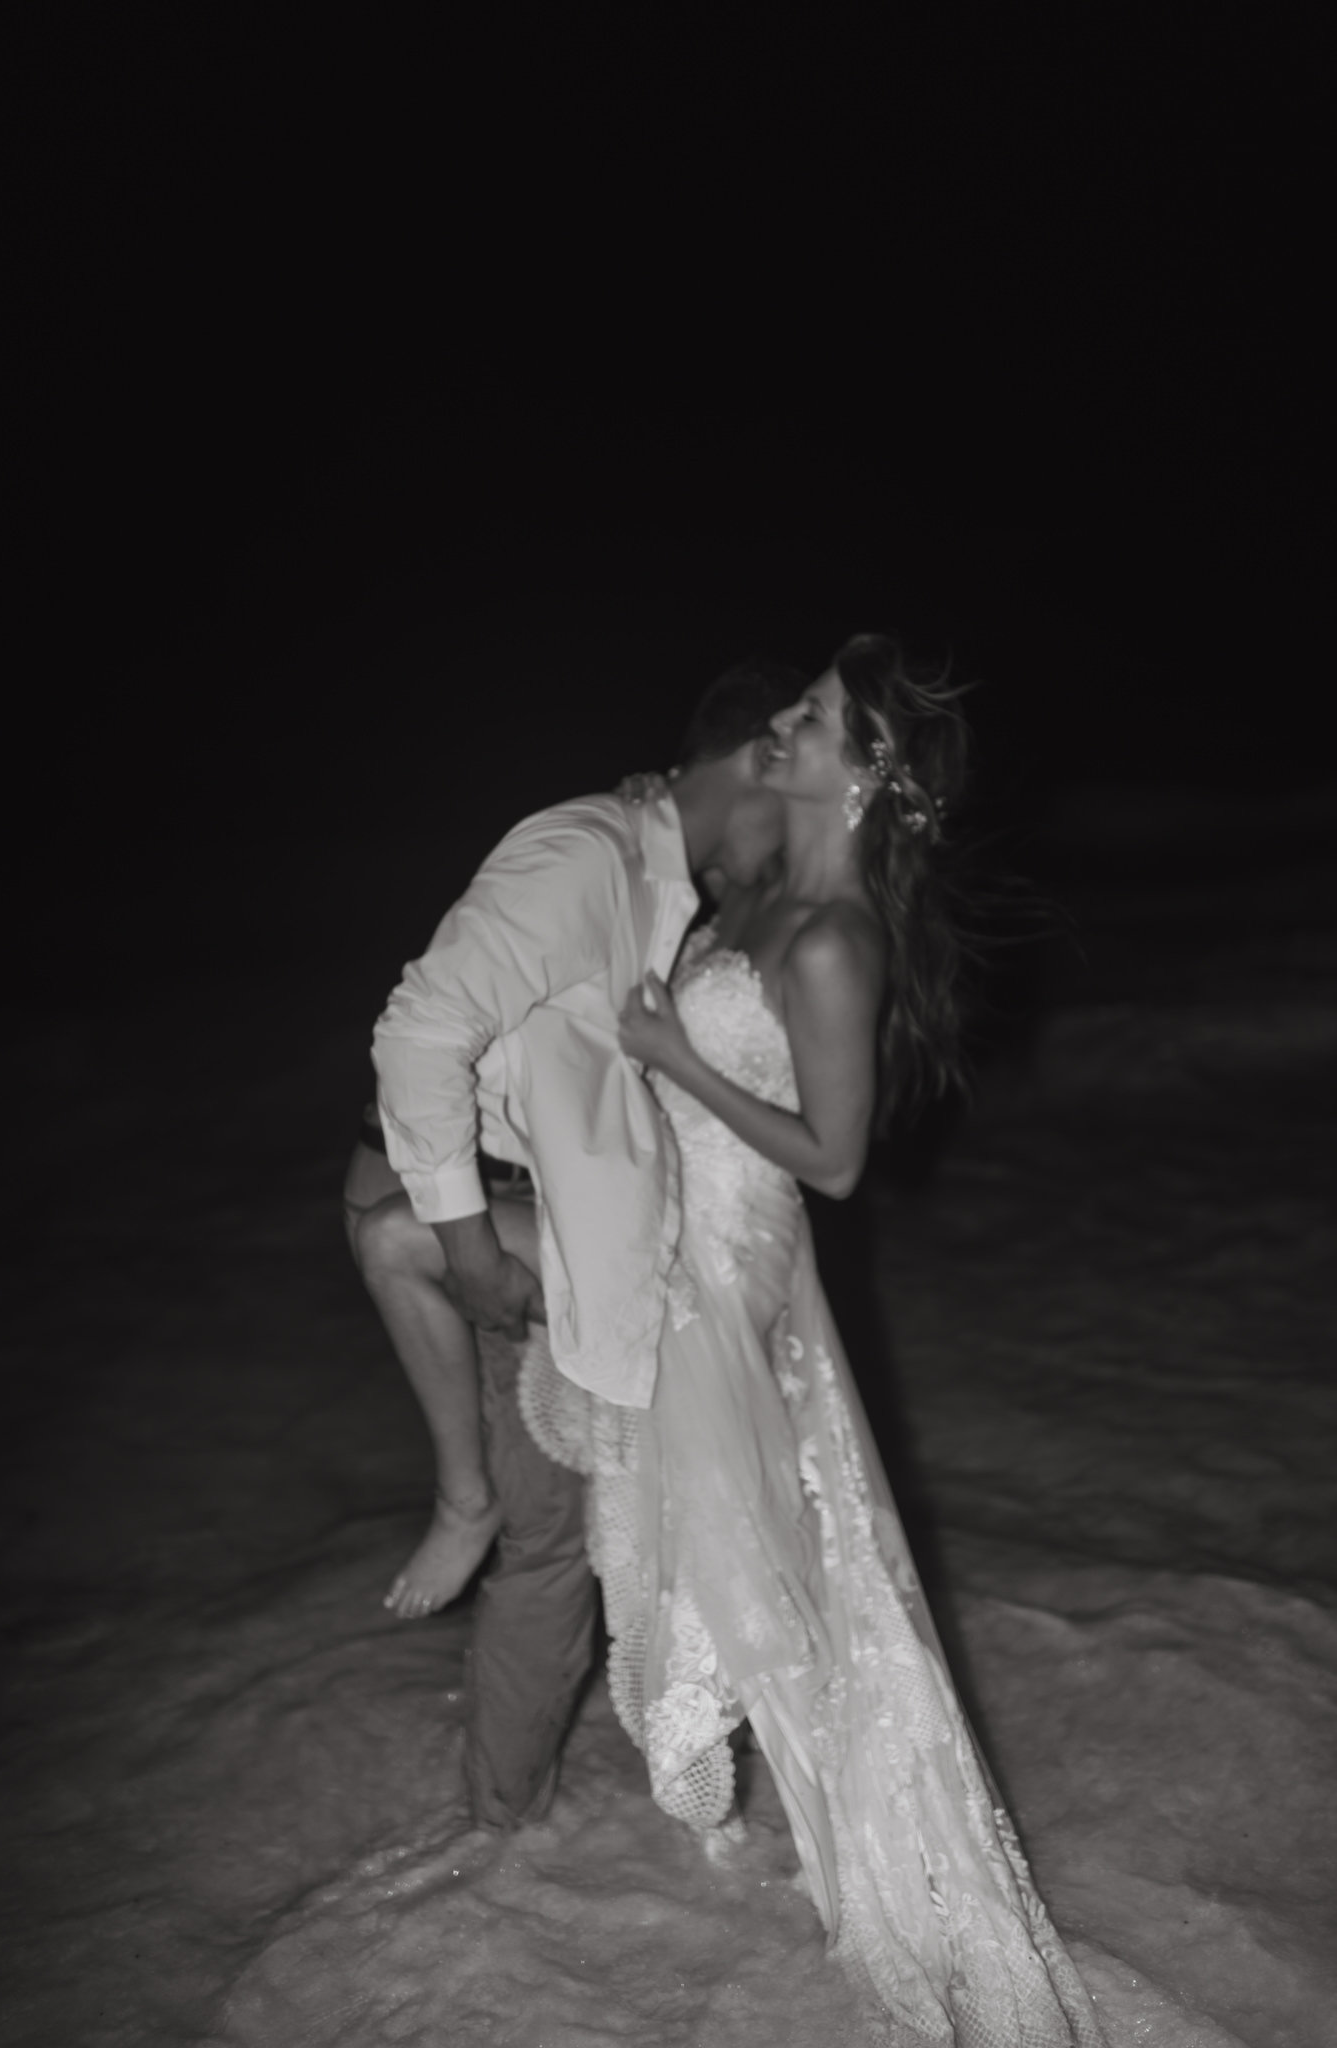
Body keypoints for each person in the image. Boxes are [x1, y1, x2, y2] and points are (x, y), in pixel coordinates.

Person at [519, 635, 1106, 2040]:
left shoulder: (835, 937)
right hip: (668, 1250)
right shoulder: (767, 893)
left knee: (730, 1578)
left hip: (730, 1264)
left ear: (861, 775)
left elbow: (834, 1161)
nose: (784, 720)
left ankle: (759, 1885)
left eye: (815, 716)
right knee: (686, 1556)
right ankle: (720, 1865)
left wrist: (673, 1060)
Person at [345, 657, 808, 1828]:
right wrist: (470, 1253)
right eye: (791, 806)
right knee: (549, 1542)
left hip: (526, 1204)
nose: (792, 844)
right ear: (755, 759)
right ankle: (499, 1845)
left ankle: (514, 1830)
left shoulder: (653, 872)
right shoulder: (584, 853)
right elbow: (416, 1034)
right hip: (473, 1200)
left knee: (566, 1534)